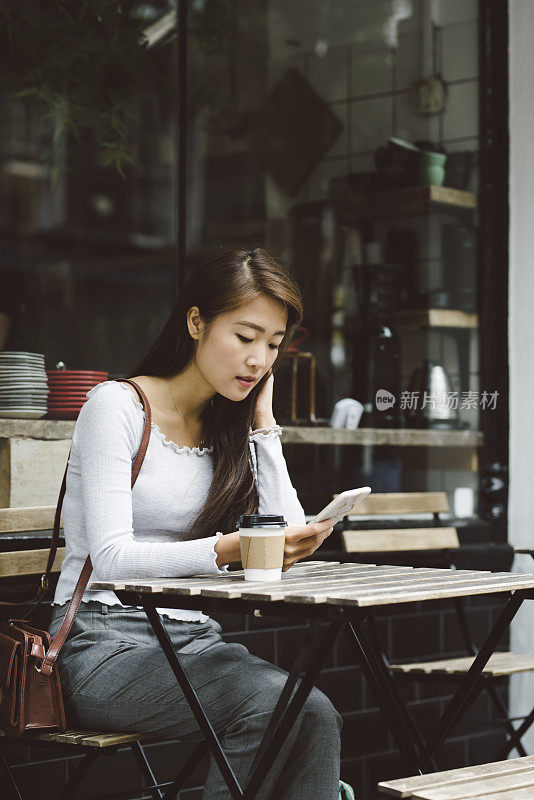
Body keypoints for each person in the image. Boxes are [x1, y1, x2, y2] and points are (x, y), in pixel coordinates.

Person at [48, 247, 342, 800]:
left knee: (316, 712)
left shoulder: (228, 429)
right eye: (246, 336)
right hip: (101, 643)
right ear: (195, 322)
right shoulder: (115, 407)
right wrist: (228, 549)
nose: (259, 360)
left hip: (195, 642)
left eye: (273, 346)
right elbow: (111, 559)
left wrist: (263, 423)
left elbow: (292, 530)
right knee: (267, 704)